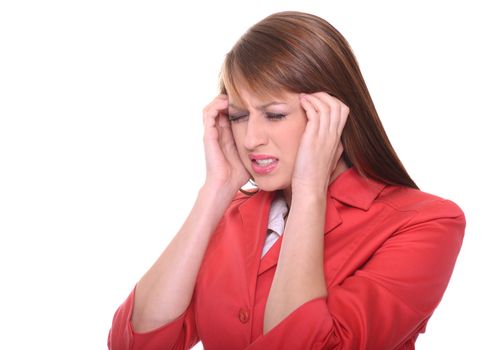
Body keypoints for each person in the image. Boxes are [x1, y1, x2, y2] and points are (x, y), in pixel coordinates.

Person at [107, 11, 465, 350]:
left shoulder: (426, 223)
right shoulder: (230, 214)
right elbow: (134, 343)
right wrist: (216, 189)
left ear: (331, 114)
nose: (250, 140)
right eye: (239, 116)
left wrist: (310, 191)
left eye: (275, 114)